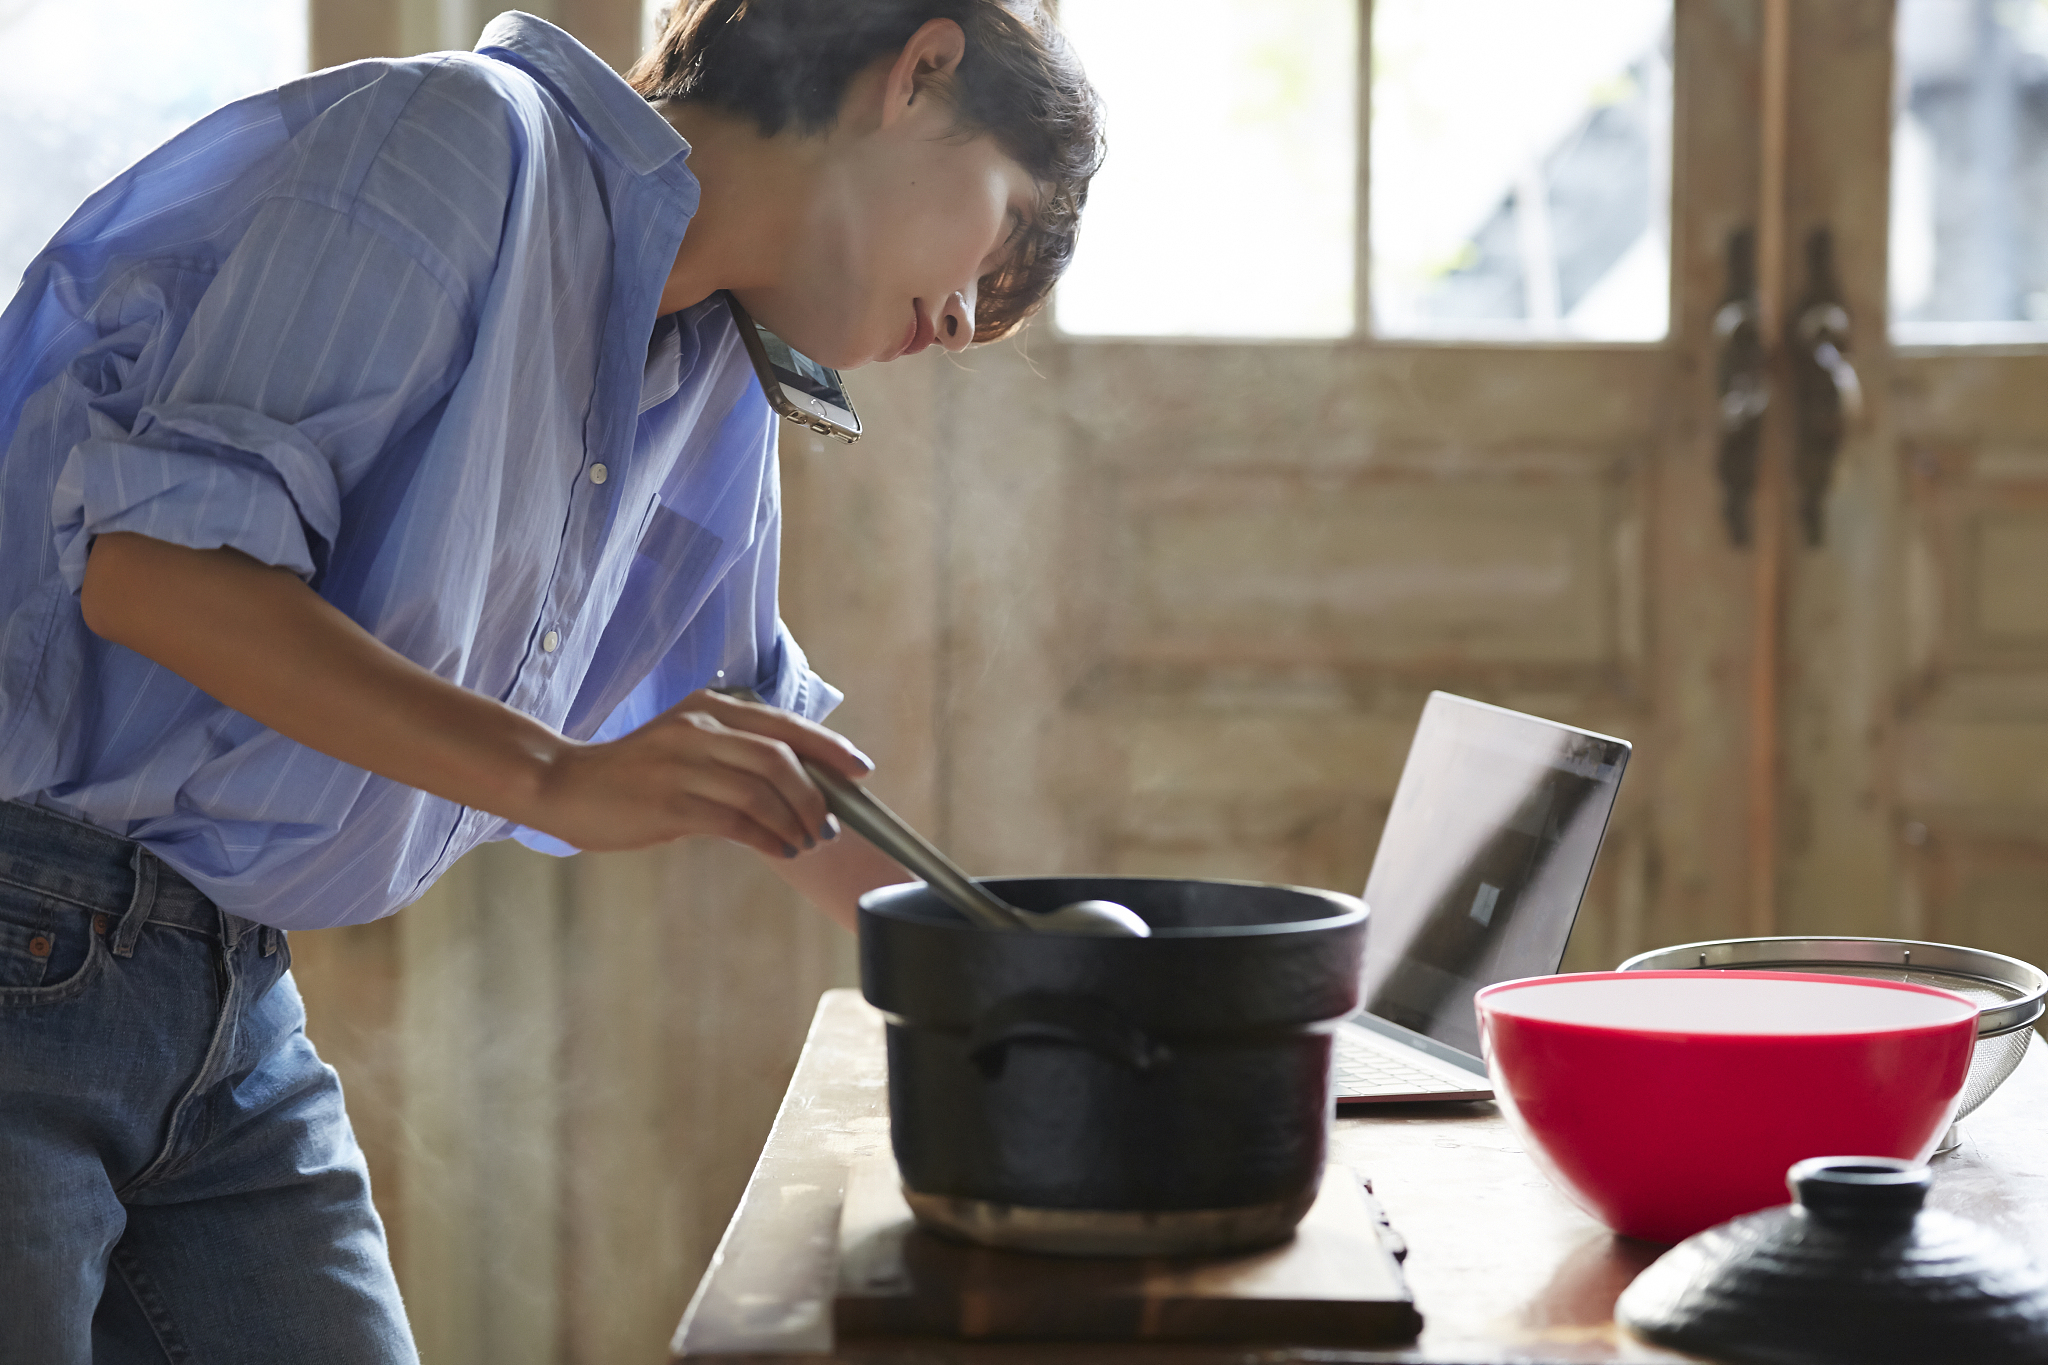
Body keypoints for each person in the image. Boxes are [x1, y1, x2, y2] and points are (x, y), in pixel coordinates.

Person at [0, 0, 1101, 1358]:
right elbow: (159, 576)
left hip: (225, 994)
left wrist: (1060, 1005)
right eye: (997, 238)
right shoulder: (458, 146)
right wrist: (551, 776)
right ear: (920, 74)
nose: (964, 324)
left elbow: (772, 753)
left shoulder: (711, 371)